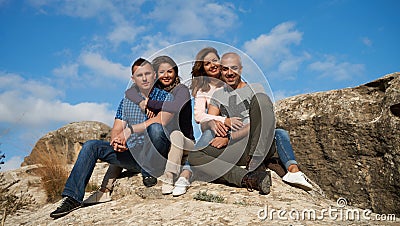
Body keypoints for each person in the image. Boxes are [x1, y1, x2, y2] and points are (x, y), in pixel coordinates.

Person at [50, 58, 172, 218]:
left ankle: (149, 170)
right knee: (91, 146)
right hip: (133, 156)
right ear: (133, 78)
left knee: (156, 128)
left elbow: (162, 119)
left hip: (155, 154)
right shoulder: (126, 102)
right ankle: (72, 197)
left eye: (148, 73)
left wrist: (130, 131)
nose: (144, 78)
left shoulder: (166, 97)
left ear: (154, 75)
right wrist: (116, 141)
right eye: (139, 74)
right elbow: (116, 128)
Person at [189, 52, 312, 194]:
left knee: (269, 115)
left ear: (241, 69)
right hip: (236, 148)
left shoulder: (255, 88)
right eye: (225, 69)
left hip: (256, 143)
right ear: (220, 71)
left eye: (234, 68)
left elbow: (263, 121)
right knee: (194, 156)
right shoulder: (218, 94)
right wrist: (212, 123)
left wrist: (230, 137)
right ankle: (249, 178)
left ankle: (260, 162)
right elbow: (206, 121)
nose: (229, 73)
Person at [125, 55, 195, 196]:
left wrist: (149, 103)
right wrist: (140, 101)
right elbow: (129, 92)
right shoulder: (154, 90)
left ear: (175, 72)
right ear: (156, 74)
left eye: (170, 71)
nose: (166, 75)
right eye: (162, 72)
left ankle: (169, 176)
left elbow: (176, 106)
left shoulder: (181, 90)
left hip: (185, 142)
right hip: (165, 143)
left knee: (176, 134)